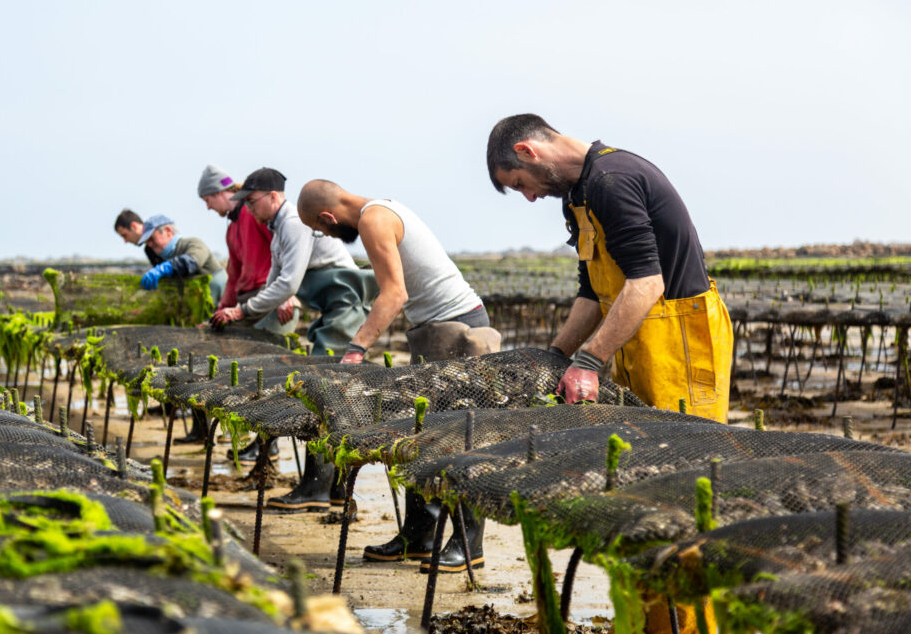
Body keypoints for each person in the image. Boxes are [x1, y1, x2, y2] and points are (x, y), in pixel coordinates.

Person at [486, 113, 733, 633]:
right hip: (637, 339)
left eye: (521, 185)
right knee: (642, 482)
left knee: (683, 487)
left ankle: (690, 625)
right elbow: (593, 292)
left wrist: (589, 361)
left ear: (529, 152)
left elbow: (645, 284)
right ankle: (653, 620)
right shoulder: (578, 195)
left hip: (679, 342)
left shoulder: (613, 181)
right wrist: (556, 353)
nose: (529, 197)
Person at [297, 180, 501, 572]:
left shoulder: (374, 219)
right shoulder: (383, 209)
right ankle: (419, 537)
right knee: (421, 435)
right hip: (434, 329)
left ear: (328, 217)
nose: (326, 235)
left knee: (461, 437)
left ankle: (468, 544)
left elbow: (394, 295)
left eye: (323, 230)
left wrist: (357, 347)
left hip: (458, 329)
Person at [213, 167, 379, 513]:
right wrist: (240, 313)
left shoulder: (292, 222)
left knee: (323, 390)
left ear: (273, 197)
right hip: (329, 310)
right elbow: (276, 285)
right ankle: (331, 489)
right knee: (324, 389)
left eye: (253, 201)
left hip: (345, 305)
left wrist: (241, 312)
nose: (250, 208)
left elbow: (287, 285)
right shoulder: (276, 231)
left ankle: (316, 488)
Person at [198, 164, 298, 336]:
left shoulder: (255, 214)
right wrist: (220, 312)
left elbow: (285, 250)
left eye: (207, 200)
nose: (208, 207)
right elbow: (234, 276)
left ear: (218, 193)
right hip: (246, 301)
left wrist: (285, 297)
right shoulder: (231, 231)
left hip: (271, 301)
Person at [135, 214, 227, 305]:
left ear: (168, 231)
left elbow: (191, 262)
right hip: (196, 305)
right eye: (146, 242)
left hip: (222, 303)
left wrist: (166, 268)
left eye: (151, 238)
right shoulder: (160, 258)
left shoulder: (193, 243)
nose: (149, 245)